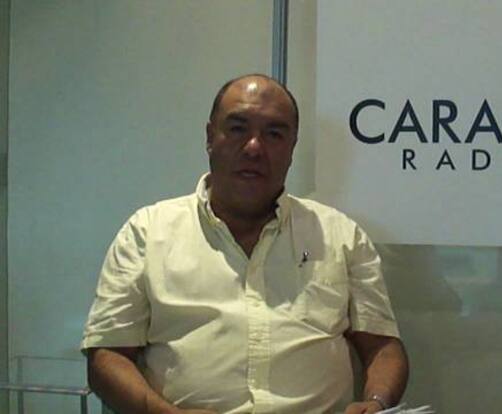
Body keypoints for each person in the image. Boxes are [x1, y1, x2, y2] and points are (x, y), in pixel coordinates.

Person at [81, 74, 409, 414]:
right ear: (210, 137)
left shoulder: (340, 235)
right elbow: (107, 354)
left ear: (292, 147)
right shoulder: (147, 233)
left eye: (274, 134)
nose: (254, 147)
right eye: (238, 129)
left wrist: (376, 402)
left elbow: (382, 347)